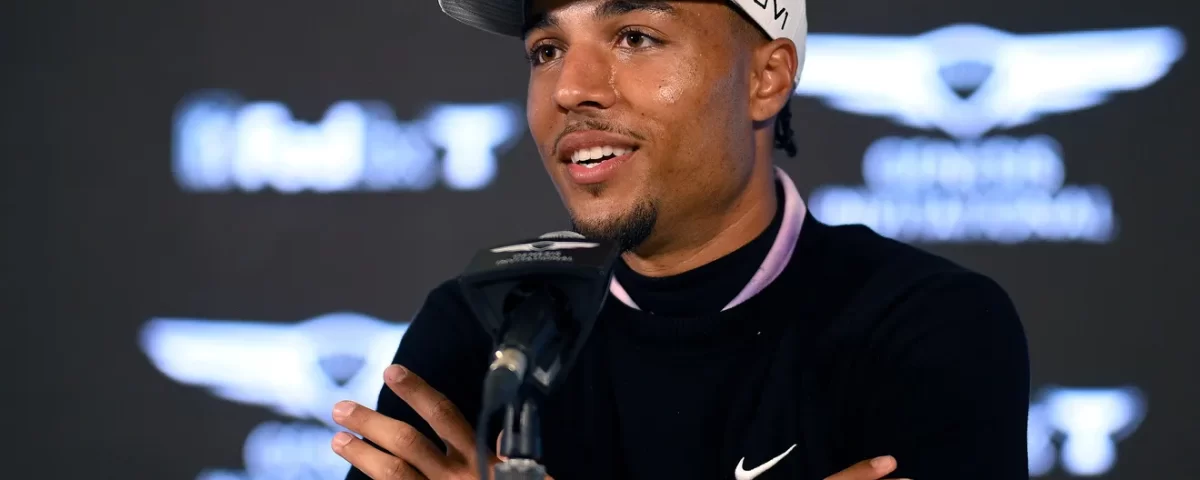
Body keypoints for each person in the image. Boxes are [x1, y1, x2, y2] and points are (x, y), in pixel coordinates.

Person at [330, 0, 1031, 478]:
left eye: (634, 37)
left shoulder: (926, 323)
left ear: (766, 78)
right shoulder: (482, 324)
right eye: (547, 49)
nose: (571, 88)